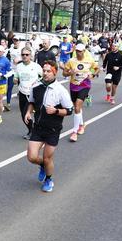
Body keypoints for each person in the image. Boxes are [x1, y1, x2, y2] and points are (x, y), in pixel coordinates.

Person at [25, 61, 73, 193]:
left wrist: (56, 111)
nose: (45, 73)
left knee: (48, 158)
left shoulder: (60, 91)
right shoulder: (36, 86)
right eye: (44, 71)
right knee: (31, 157)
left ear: (54, 72)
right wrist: (29, 112)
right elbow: (32, 102)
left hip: (53, 130)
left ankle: (49, 179)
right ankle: (42, 165)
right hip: (38, 128)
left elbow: (69, 110)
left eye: (48, 71)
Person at [63, 43, 98, 142]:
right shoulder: (71, 61)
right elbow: (64, 73)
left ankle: (74, 132)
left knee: (77, 107)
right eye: (77, 51)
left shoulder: (89, 60)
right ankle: (82, 125)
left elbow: (97, 69)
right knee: (77, 108)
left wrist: (93, 75)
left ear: (84, 51)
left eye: (80, 51)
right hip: (73, 86)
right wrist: (70, 72)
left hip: (85, 85)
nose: (78, 53)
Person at [14, 47, 43, 139]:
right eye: (23, 54)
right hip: (22, 92)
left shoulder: (36, 66)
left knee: (27, 113)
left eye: (27, 55)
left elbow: (44, 77)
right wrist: (15, 80)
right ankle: (32, 129)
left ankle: (33, 131)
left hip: (32, 93)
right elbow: (16, 77)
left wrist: (37, 83)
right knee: (23, 115)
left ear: (31, 56)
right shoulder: (19, 66)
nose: (25, 56)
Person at [4, 38, 22, 111]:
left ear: (19, 41)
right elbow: (5, 56)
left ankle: (28, 104)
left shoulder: (22, 49)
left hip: (20, 70)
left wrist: (19, 60)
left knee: (22, 87)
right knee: (10, 87)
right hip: (12, 70)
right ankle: (8, 104)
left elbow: (27, 58)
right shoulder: (10, 48)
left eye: (17, 41)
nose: (15, 42)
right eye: (14, 40)